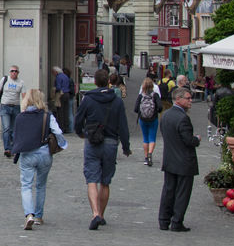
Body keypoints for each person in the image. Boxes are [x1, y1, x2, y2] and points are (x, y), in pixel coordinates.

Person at [71, 68, 131, 231]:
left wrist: (80, 133)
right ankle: (102, 215)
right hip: (111, 142)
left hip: (92, 141)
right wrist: (126, 146)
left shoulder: (88, 99)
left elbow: (78, 120)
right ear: (109, 82)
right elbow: (123, 125)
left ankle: (95, 213)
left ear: (95, 82)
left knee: (92, 180)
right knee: (105, 181)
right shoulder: (117, 101)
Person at [10, 88, 66, 229]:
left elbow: (15, 136)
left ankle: (29, 214)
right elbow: (58, 132)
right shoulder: (47, 116)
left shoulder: (20, 117)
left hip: (27, 154)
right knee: (41, 185)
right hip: (44, 153)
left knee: (26, 186)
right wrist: (62, 145)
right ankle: (39, 216)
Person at [159, 87, 202, 231]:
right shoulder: (183, 118)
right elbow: (188, 141)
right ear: (178, 99)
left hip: (170, 158)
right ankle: (177, 221)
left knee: (169, 190)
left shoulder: (166, 115)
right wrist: (196, 139)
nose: (191, 101)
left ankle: (164, 220)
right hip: (184, 161)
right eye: (188, 98)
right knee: (182, 192)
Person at [0, 65, 25, 158]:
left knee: (14, 129)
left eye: (16, 71)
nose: (14, 73)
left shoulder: (21, 83)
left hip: (16, 107)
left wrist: (24, 109)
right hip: (5, 106)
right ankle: (7, 149)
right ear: (10, 72)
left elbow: (24, 96)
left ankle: (14, 148)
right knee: (6, 128)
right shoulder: (4, 80)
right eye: (12, 71)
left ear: (18, 73)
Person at [134, 77, 162, 166]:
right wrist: (156, 111)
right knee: (152, 137)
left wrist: (141, 112)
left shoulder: (141, 95)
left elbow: (135, 109)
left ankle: (146, 157)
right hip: (153, 119)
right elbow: (160, 107)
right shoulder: (155, 95)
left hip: (143, 119)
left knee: (145, 138)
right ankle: (150, 153)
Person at [53, 66, 74, 133]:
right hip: (67, 94)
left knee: (60, 111)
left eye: (53, 72)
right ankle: (67, 127)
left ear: (56, 72)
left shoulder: (58, 77)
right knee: (66, 111)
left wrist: (55, 90)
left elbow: (58, 87)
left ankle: (61, 127)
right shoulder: (65, 76)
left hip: (61, 94)